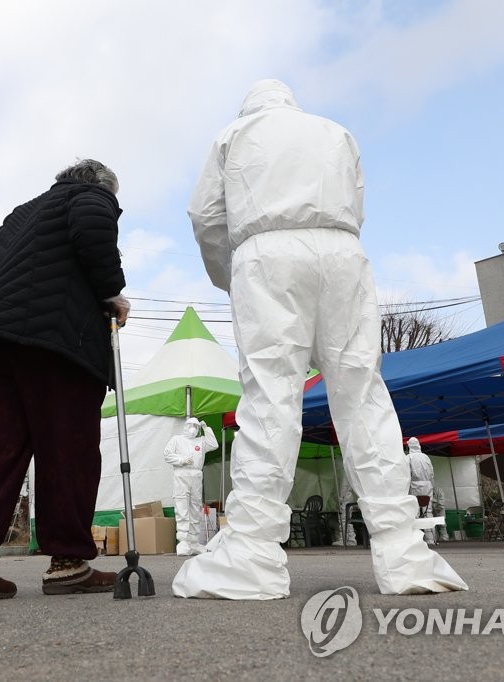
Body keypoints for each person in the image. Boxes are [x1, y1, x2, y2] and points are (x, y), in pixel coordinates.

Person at [172, 79, 467, 599]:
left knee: (271, 396)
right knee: (362, 396)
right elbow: (356, 201)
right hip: (343, 252)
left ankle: (252, 553)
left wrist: (230, 272)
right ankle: (404, 552)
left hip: (266, 253)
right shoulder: (336, 132)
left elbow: (205, 216)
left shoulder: (233, 135)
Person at [0, 159, 130, 600]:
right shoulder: (90, 197)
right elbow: (93, 231)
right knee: (70, 449)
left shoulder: (21, 213)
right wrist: (111, 291)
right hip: (58, 343)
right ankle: (67, 563)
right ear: (104, 186)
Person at [163, 417, 218, 556]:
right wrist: (181, 460)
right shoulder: (177, 440)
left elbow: (214, 444)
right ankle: (183, 542)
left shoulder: (201, 441)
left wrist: (207, 429)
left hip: (196, 476)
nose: (193, 428)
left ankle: (193, 542)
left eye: (196, 425)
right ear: (186, 426)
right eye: (191, 425)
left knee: (195, 507)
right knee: (182, 506)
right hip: (181, 475)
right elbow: (167, 455)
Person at [405, 437, 437, 545]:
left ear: (409, 446)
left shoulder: (408, 458)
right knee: (428, 511)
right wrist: (432, 486)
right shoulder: (426, 457)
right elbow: (432, 473)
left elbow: (406, 475)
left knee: (415, 512)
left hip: (415, 485)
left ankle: (417, 540)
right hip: (428, 486)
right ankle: (431, 539)